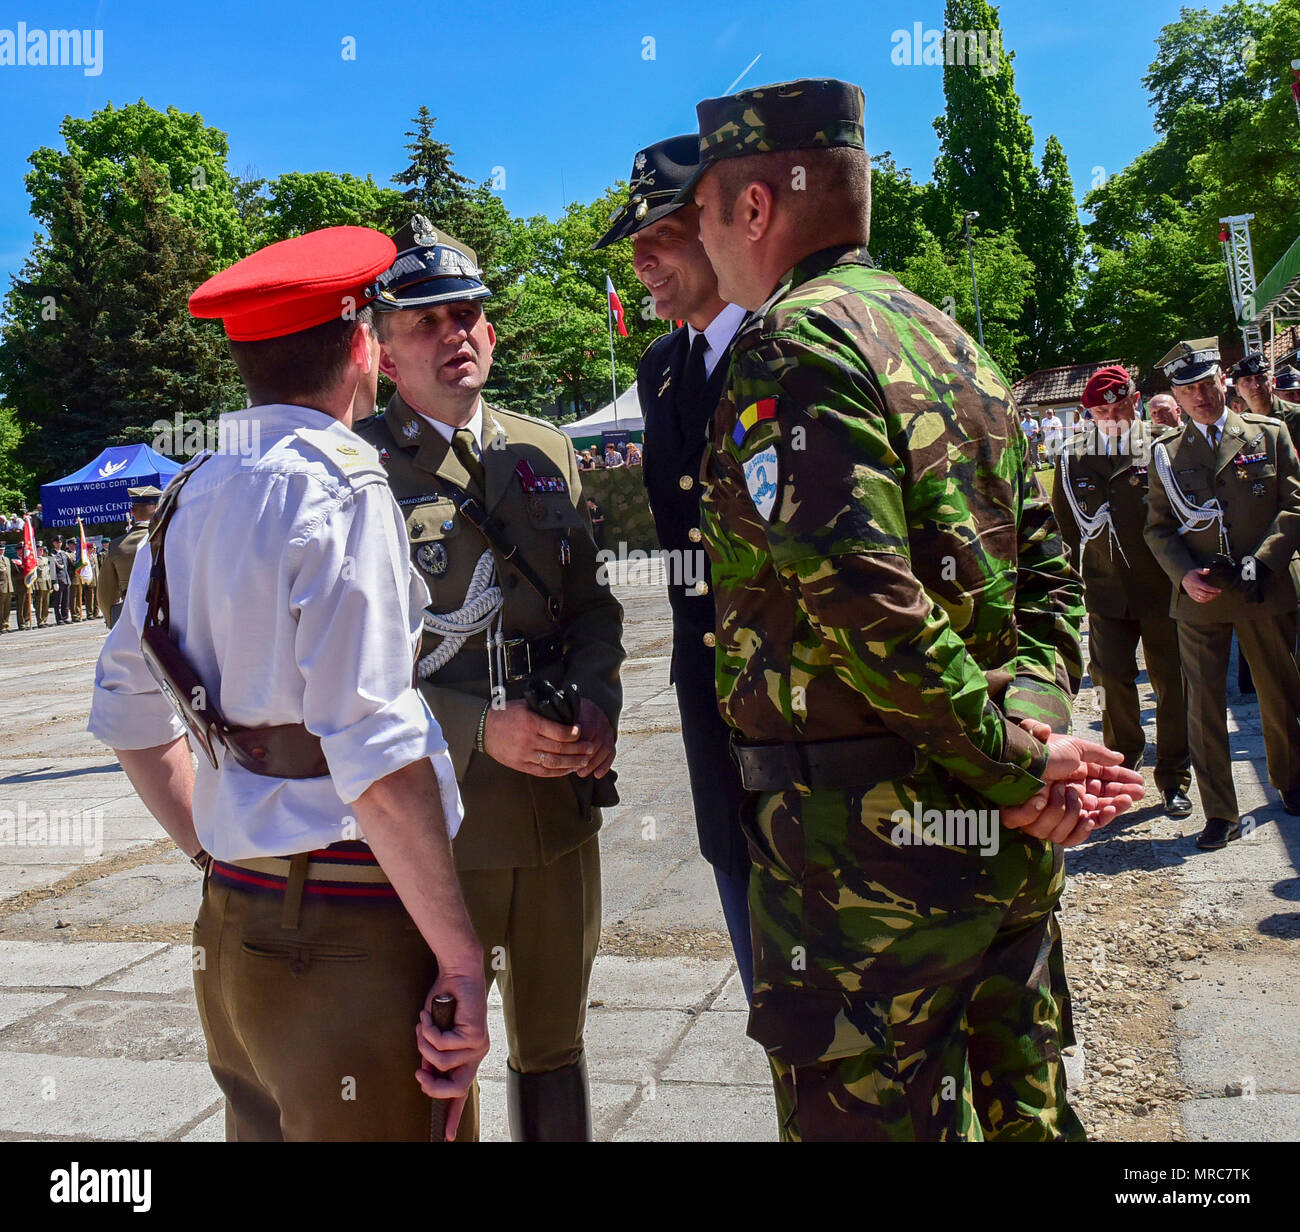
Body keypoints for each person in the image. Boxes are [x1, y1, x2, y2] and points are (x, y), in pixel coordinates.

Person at [679, 76, 1144, 1142]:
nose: (702, 241)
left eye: (705, 212)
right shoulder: (954, 342)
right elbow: (1047, 576)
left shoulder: (791, 345)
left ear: (755, 210)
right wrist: (1029, 737)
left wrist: (1018, 762)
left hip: (865, 868)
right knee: (1022, 1115)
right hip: (995, 847)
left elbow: (858, 592)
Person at [88, 225, 489, 1141]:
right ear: (362, 344)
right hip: (347, 932)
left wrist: (215, 852)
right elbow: (378, 760)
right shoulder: (345, 489)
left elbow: (129, 718)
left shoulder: (190, 491)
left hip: (233, 933)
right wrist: (462, 958)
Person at [358, 216, 625, 1141]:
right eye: (425, 321)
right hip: (438, 828)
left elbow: (594, 605)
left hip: (557, 816)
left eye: (468, 313)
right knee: (443, 1050)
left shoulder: (544, 450)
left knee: (555, 1045)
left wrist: (599, 704)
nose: (453, 333)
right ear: (383, 351)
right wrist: (477, 727)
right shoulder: (356, 467)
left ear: (493, 331)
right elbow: (346, 672)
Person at [593, 132, 755, 998]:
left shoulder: (790, 342)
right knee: (756, 947)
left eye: (660, 234)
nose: (642, 260)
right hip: (710, 694)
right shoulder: (660, 367)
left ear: (724, 223)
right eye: (634, 243)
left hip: (813, 712)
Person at [1144, 338, 1300, 849]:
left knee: (1279, 692)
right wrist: (1183, 575)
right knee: (1204, 705)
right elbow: (1158, 529)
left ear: (1223, 383)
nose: (1201, 397)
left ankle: (1291, 781)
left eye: (1208, 385)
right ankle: (1220, 812)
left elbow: (1293, 503)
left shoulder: (1267, 433)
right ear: (1176, 395)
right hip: (1201, 594)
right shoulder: (1165, 455)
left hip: (1264, 588)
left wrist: (1265, 561)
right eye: (1188, 390)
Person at [1052, 365, 1192, 817]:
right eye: (1101, 411)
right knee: (1111, 681)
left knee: (1172, 686)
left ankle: (1174, 776)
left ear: (1136, 401)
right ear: (1088, 413)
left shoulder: (1163, 447)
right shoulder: (1072, 456)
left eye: (1119, 407)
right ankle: (1123, 761)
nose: (1112, 418)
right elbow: (1065, 528)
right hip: (1105, 591)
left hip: (1162, 590)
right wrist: (1064, 589)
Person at [98, 486, 161, 630]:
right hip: (167, 611)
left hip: (131, 614)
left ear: (132, 512)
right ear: (157, 510)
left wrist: (112, 620)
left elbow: (105, 592)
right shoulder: (167, 538)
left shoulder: (116, 546)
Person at [1231, 352, 1300, 451]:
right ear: (1237, 390)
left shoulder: (1296, 416)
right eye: (1248, 380)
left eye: (1260, 378)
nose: (1256, 386)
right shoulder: (1238, 426)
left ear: (1273, 382)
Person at [49, 536, 70, 624]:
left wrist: (68, 579)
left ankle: (65, 617)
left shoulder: (64, 553)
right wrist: (54, 582)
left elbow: (66, 568)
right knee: (58, 601)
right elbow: (52, 569)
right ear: (54, 543)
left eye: (60, 543)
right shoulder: (52, 555)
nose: (58, 544)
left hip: (66, 579)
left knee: (66, 600)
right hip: (58, 580)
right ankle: (59, 618)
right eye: (57, 543)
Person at [34, 547, 51, 626]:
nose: (41, 551)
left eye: (42, 550)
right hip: (39, 583)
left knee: (46, 603)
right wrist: (35, 586)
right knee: (39, 603)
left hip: (47, 582)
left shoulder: (45, 559)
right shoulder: (34, 560)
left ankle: (45, 619)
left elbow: (48, 571)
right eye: (39, 550)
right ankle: (40, 620)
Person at [0, 549, 11, 632]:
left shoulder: (7, 559)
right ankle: (1, 625)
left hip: (8, 586)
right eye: (0, 550)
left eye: (3, 550)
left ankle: (6, 623)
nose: (1, 551)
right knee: (1, 606)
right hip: (1, 586)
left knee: (7, 606)